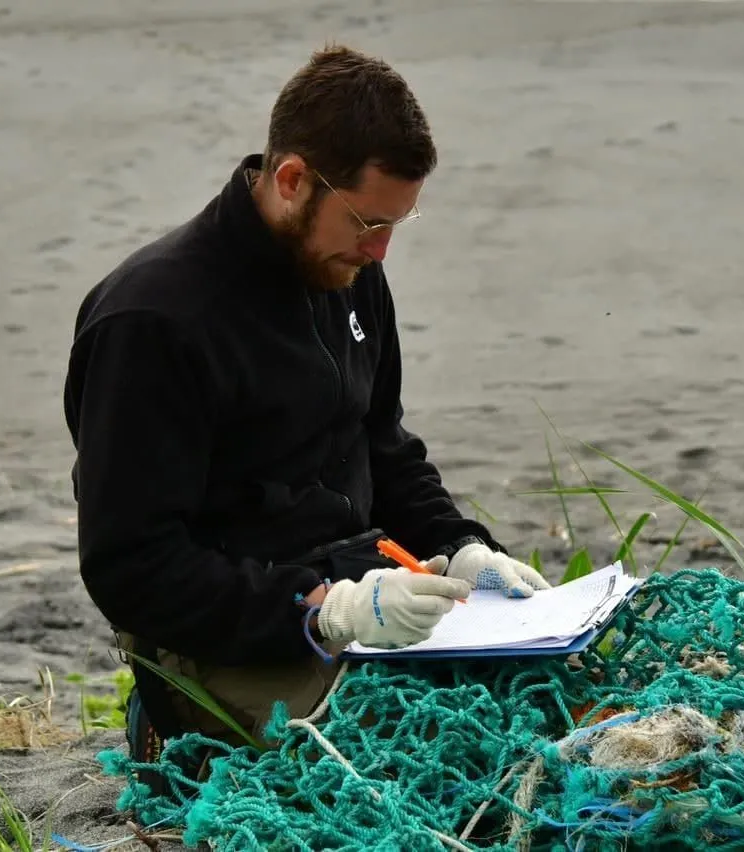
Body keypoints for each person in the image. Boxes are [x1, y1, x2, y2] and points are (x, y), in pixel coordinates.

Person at [61, 43, 551, 772]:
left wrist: (464, 548)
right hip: (218, 641)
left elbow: (384, 448)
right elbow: (131, 568)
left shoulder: (349, 274)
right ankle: (164, 728)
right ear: (292, 180)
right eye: (366, 223)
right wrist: (320, 610)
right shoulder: (151, 323)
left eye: (396, 226)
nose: (381, 252)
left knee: (537, 700)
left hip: (360, 590)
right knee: (421, 759)